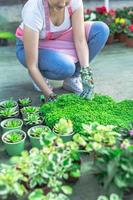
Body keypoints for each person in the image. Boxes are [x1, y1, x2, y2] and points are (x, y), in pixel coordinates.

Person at [16, 0, 109, 102]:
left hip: (61, 38)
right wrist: (50, 95)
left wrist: (86, 73)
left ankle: (72, 79)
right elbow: (32, 66)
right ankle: (39, 77)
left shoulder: (72, 1)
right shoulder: (33, 10)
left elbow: (80, 40)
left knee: (101, 30)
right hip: (33, 47)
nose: (64, 3)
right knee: (66, 68)